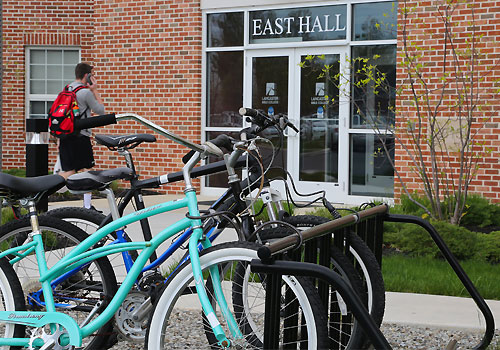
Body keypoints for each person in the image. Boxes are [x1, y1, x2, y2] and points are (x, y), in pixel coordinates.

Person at [57, 62, 105, 210]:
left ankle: (43, 190)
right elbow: (101, 111)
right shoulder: (85, 93)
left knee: (69, 171)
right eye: (92, 74)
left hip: (66, 136)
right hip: (81, 136)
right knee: (86, 170)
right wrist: (95, 90)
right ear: (87, 75)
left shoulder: (67, 89)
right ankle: (86, 205)